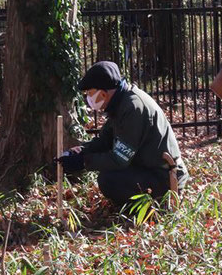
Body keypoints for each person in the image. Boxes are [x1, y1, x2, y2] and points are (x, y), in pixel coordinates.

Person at [57, 61, 189, 208]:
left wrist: (83, 162)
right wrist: (81, 151)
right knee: (110, 177)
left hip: (165, 177)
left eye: (89, 93)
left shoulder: (132, 108)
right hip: (150, 169)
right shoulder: (121, 102)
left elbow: (119, 159)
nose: (88, 98)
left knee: (109, 180)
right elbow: (105, 140)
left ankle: (155, 207)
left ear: (103, 93)